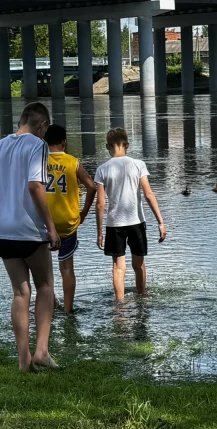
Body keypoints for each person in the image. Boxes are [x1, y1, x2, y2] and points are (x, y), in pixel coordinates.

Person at [0, 102, 61, 372]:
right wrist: (51, 227)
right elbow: (35, 186)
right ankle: (42, 351)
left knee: (20, 292)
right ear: (42, 125)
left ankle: (23, 360)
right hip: (29, 231)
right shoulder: (38, 146)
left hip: (3, 232)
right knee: (45, 287)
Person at [94, 127, 167, 301]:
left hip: (114, 224)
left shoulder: (102, 169)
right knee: (139, 264)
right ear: (127, 145)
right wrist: (160, 221)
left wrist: (99, 233)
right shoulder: (138, 164)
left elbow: (100, 204)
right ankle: (141, 299)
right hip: (136, 221)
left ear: (107, 146)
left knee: (118, 268)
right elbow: (149, 194)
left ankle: (120, 307)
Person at [43, 124, 97, 314]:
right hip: (67, 223)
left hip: (43, 224)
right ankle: (68, 309)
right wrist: (84, 213)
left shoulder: (38, 162)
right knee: (66, 268)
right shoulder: (73, 162)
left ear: (44, 142)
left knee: (43, 269)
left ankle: (47, 304)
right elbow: (92, 187)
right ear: (64, 143)